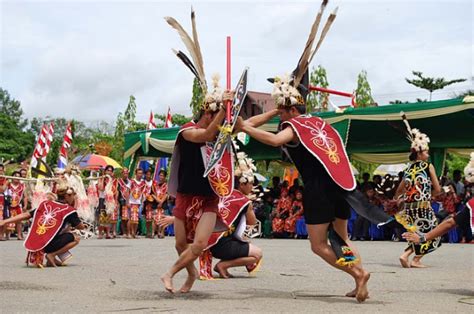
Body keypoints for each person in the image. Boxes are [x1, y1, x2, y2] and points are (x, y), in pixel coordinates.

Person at [395, 113, 443, 268]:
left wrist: (398, 199)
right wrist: (433, 196)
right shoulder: (428, 166)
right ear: (420, 153)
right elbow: (437, 189)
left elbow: (399, 189)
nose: (428, 155)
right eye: (427, 152)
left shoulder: (408, 168)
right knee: (434, 232)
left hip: (409, 208)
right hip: (423, 206)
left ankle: (406, 255)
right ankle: (415, 259)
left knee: (417, 232)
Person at [0, 185, 86, 267]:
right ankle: (52, 255)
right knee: (76, 238)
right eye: (73, 196)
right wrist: (74, 207)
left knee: (61, 231)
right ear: (67, 196)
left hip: (35, 243)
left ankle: (52, 257)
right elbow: (80, 227)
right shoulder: (69, 210)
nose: (75, 198)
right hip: (47, 245)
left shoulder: (45, 204)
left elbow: (26, 215)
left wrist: (5, 221)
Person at [6, 171, 27, 240]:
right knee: (8, 219)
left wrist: (25, 206)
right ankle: (7, 235)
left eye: (18, 177)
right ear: (12, 177)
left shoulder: (22, 186)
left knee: (19, 221)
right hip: (9, 204)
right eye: (15, 176)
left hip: (18, 205)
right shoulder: (8, 184)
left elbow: (25, 197)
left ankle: (19, 235)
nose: (16, 178)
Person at [128, 168, 146, 238]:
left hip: (138, 203)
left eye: (141, 173)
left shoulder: (143, 183)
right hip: (131, 202)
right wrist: (127, 202)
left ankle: (134, 233)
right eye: (139, 173)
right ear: (136, 174)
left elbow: (143, 193)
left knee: (136, 218)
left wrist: (142, 202)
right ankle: (129, 233)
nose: (140, 175)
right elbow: (127, 192)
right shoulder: (132, 181)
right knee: (131, 218)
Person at [153, 169, 168, 238]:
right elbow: (152, 194)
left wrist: (161, 202)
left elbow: (167, 194)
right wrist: (158, 201)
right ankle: (154, 232)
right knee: (155, 218)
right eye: (160, 175)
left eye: (162, 176)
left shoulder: (166, 185)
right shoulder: (155, 184)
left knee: (163, 218)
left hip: (163, 203)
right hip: (156, 203)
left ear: (165, 177)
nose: (161, 177)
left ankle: (162, 232)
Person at [117, 168, 131, 238]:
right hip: (121, 200)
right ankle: (124, 232)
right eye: (124, 173)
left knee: (128, 217)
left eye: (127, 173)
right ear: (122, 173)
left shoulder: (130, 181)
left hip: (129, 201)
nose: (125, 174)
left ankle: (129, 232)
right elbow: (117, 191)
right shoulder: (119, 181)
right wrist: (117, 201)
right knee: (123, 218)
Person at [143, 169, 158, 238]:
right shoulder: (142, 183)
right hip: (146, 202)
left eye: (150, 174)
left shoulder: (154, 183)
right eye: (147, 174)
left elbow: (156, 192)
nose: (149, 176)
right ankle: (148, 232)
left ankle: (153, 233)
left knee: (153, 218)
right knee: (148, 218)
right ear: (145, 175)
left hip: (153, 202)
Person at [0, 164, 9, 240]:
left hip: (2, 199)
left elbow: (2, 189)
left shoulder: (6, 179)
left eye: (1, 170)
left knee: (3, 217)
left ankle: (1, 235)